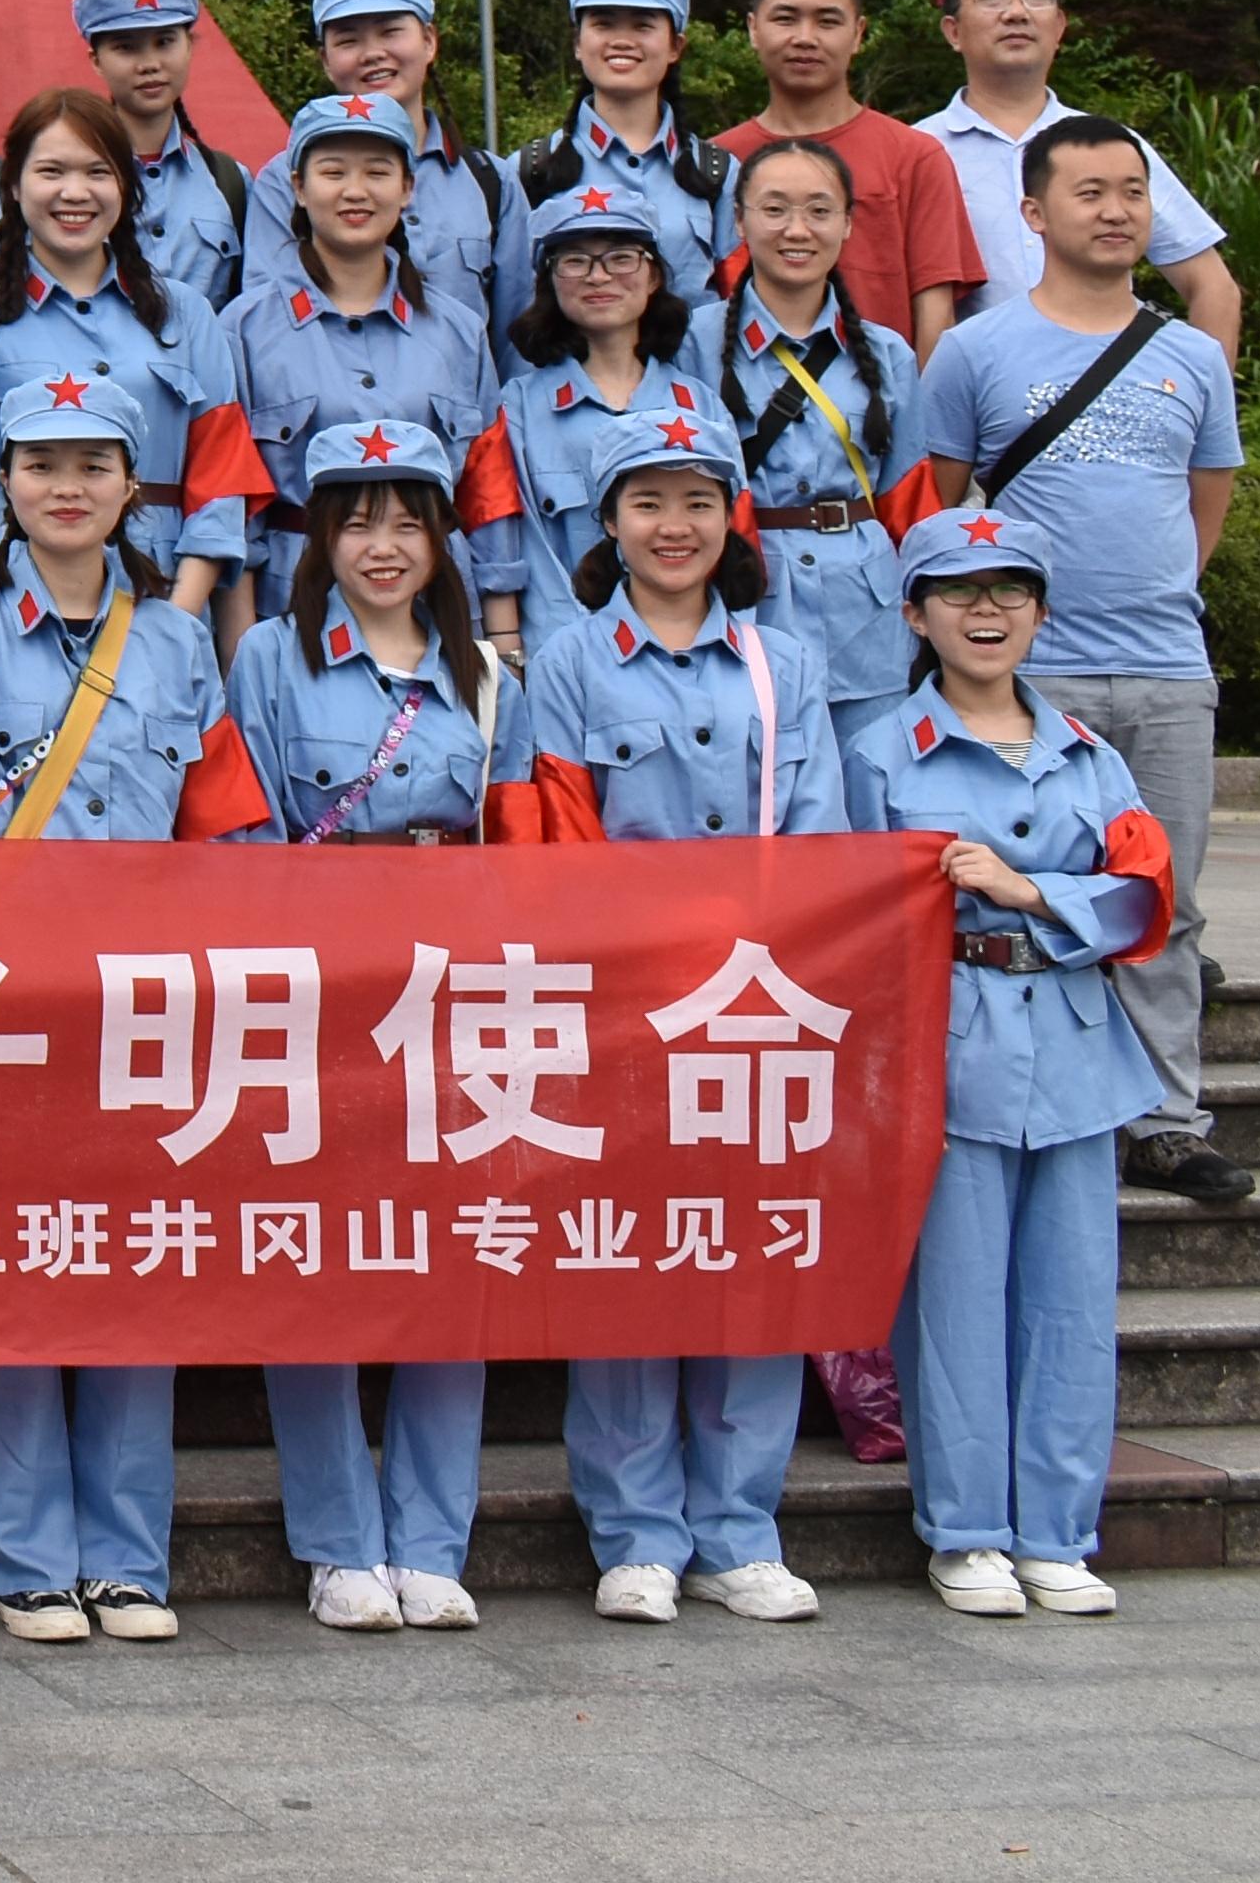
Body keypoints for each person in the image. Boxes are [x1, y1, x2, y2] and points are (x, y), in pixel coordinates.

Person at [0, 381, 267, 1642]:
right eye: (43, 464)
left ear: (130, 488)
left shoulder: (173, 643)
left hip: (142, 1005)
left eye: (94, 466)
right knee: (8, 1264)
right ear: (4, 482)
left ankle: (125, 1554)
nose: (68, 487)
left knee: (131, 1266)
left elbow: (222, 821)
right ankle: (21, 1556)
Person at [495, 393, 841, 1624]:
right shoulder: (569, 662)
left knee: (750, 1260)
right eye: (647, 502)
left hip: (759, 1007)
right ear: (608, 522)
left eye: (698, 500)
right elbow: (558, 839)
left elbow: (823, 838)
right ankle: (635, 1530)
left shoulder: (787, 664)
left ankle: (741, 1528)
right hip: (626, 1008)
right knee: (626, 1259)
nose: (674, 524)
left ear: (731, 515)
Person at [917, 113, 1252, 1205]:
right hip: (1026, 681)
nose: (1116, 212)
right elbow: (941, 511)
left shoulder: (1191, 355)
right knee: (1021, 900)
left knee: (1163, 899)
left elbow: (1205, 504)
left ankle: (1168, 1122)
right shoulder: (975, 351)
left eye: (1132, 193)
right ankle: (1035, 1113)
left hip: (1166, 670)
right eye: (1090, 192)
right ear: (1033, 212)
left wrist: (1156, 596)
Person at [225, 420, 503, 1634]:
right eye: (356, 519)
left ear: (442, 537)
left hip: (455, 995)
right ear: (320, 537)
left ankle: (434, 1540)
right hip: (320, 994)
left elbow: (522, 844)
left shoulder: (485, 673)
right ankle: (339, 1541)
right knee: (316, 1261)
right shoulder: (271, 657)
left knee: (453, 1261)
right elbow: (246, 831)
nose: (382, 545)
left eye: (407, 520)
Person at [873, 520, 1170, 1620]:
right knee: (954, 1304)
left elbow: (1145, 896)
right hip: (945, 1046)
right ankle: (966, 1533)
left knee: (1071, 1303)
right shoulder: (879, 752)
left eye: (1009, 590)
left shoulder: (1094, 756)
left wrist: (1029, 889)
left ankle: (1058, 1531)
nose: (985, 611)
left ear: (1041, 612)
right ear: (916, 615)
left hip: (1080, 1048)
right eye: (958, 592)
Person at [182, 102, 507, 639]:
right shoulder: (242, 331)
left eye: (377, 172)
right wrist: (240, 656)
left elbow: (488, 490)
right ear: (299, 187)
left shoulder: (459, 330)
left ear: (407, 188)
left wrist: (504, 642)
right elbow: (235, 506)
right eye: (333, 172)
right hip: (295, 608)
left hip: (437, 608)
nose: (355, 191)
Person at [715, 135, 935, 807]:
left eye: (818, 210)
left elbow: (910, 502)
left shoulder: (888, 354)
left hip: (865, 614)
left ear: (847, 223)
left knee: (872, 801)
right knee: (755, 801)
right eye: (774, 209)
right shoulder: (692, 344)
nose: (797, 230)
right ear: (740, 220)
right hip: (746, 600)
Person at [0, 88, 239, 627]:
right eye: (51, 171)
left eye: (97, 172)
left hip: (167, 594)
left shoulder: (189, 315)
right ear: (15, 185)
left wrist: (176, 621)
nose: (74, 192)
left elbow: (221, 478)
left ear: (125, 184)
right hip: (23, 613)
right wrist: (11, 618)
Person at [914, 0, 1246, 350]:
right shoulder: (917, 150)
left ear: (1059, 28)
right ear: (953, 31)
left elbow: (1213, 287)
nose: (1016, 12)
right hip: (976, 385)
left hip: (1106, 381)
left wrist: (1203, 389)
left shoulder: (1111, 147)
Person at [464, 183, 707, 619]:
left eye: (621, 258)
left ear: (653, 276)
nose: (598, 276)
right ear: (549, 282)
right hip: (557, 644)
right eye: (575, 261)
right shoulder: (515, 410)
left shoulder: (699, 407)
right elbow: (506, 538)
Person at [232, 0, 508, 330]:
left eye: (390, 32)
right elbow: (266, 325)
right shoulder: (282, 180)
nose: (373, 53)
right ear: (326, 61)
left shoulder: (491, 179)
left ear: (429, 41)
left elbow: (518, 330)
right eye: (349, 41)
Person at [721, 0, 966, 350]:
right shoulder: (715, 161)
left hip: (879, 386)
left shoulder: (915, 157)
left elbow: (935, 314)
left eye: (827, 21)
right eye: (786, 18)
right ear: (753, 29)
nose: (805, 38)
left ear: (858, 34)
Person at [500, 0, 734, 333]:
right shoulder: (529, 170)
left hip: (694, 369)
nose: (622, 41)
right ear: (578, 43)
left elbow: (736, 297)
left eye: (643, 25)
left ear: (675, 46)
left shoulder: (718, 172)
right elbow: (515, 304)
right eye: (603, 24)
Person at [68, 0, 248, 312]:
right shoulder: (67, 181)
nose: (149, 64)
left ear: (189, 46)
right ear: (96, 61)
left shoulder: (230, 182)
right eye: (126, 47)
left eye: (165, 42)